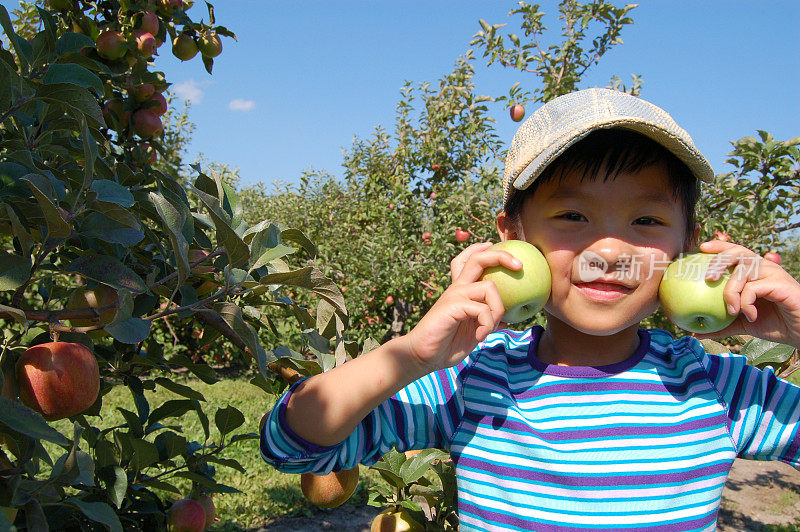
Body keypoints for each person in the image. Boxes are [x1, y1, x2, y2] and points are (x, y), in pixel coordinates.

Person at [259, 88, 800, 530]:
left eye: (647, 221)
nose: (609, 252)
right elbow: (294, 446)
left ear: (686, 246)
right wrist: (409, 356)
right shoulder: (476, 379)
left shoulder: (713, 385)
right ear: (512, 238)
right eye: (571, 214)